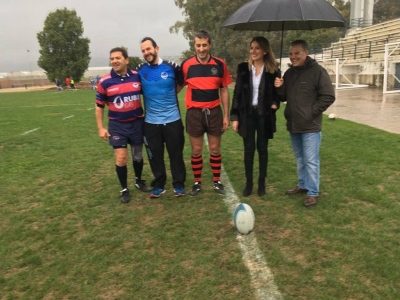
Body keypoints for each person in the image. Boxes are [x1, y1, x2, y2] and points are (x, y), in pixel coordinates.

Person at [274, 40, 335, 207]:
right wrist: (279, 87)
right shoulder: (290, 73)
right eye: (291, 53)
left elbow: (328, 96)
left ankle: (313, 192)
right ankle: (302, 185)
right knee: (300, 158)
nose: (293, 57)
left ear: (306, 53)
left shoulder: (318, 72)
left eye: (297, 53)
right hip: (293, 124)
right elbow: (283, 97)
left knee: (310, 160)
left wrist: (310, 113)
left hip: (310, 126)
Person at [95, 47, 150, 203]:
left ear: (127, 60)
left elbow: (148, 94)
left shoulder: (136, 77)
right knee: (121, 159)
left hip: (137, 123)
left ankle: (138, 180)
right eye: (112, 58)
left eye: (118, 58)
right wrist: (101, 128)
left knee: (138, 156)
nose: (114, 61)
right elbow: (99, 106)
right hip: (117, 126)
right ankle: (124, 188)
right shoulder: (104, 81)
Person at [180, 29, 232, 196]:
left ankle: (217, 181)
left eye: (204, 45)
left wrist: (225, 115)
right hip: (194, 113)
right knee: (196, 150)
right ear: (194, 46)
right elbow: (177, 87)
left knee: (215, 149)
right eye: (198, 45)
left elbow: (224, 90)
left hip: (214, 112)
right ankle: (197, 182)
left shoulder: (219, 64)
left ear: (210, 45)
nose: (201, 49)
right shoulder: (187, 65)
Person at [136, 37, 186, 198]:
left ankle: (178, 184)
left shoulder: (172, 67)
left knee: (176, 153)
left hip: (173, 120)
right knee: (155, 155)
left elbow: (181, 83)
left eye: (148, 49)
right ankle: (159, 184)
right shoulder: (139, 70)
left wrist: (168, 96)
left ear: (156, 48)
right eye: (143, 50)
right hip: (151, 122)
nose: (146, 53)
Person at [230, 37, 280, 197]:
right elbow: (237, 93)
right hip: (247, 115)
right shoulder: (243, 69)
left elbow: (278, 95)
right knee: (249, 149)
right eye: (251, 48)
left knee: (263, 149)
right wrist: (235, 117)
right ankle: (249, 182)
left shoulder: (273, 70)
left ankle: (261, 182)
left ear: (265, 51)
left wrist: (275, 101)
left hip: (264, 115)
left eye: (257, 48)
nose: (253, 51)